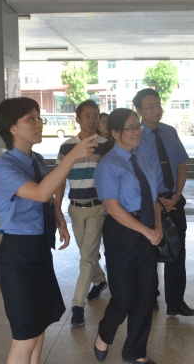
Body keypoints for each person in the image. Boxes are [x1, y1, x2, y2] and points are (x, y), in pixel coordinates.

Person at [0, 97, 97, 364]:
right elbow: (39, 192)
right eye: (31, 119)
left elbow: (47, 197)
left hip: (39, 248)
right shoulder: (5, 167)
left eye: (39, 118)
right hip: (17, 255)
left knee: (38, 328)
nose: (39, 124)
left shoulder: (35, 159)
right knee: (25, 336)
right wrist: (72, 156)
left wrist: (59, 218)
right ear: (12, 127)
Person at [93, 108, 162, 364]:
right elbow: (112, 208)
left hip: (148, 228)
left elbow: (154, 199)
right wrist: (147, 231)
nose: (137, 132)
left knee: (145, 295)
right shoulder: (108, 164)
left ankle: (135, 353)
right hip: (122, 232)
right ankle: (105, 333)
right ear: (115, 133)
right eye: (131, 128)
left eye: (138, 127)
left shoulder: (142, 158)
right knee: (124, 297)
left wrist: (157, 228)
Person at [133, 88, 194, 317]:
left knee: (177, 250)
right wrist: (155, 198)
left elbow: (181, 165)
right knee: (149, 253)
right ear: (139, 110)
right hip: (149, 203)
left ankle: (176, 303)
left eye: (158, 104)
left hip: (173, 201)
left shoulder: (170, 132)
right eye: (150, 106)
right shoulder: (135, 137)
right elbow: (135, 173)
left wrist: (177, 194)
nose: (156, 110)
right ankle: (149, 297)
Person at [55, 100, 109, 327]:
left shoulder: (106, 146)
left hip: (98, 208)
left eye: (95, 115)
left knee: (87, 256)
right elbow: (59, 180)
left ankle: (77, 305)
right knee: (88, 252)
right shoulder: (67, 147)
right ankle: (99, 280)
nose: (92, 120)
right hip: (75, 208)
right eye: (87, 115)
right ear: (77, 119)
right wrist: (57, 211)